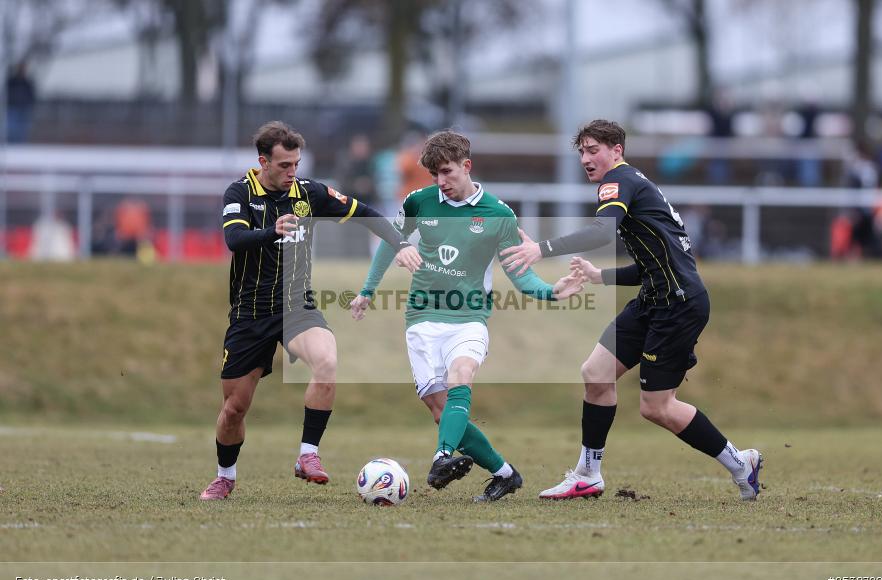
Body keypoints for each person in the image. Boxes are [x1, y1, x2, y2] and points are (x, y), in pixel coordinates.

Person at [499, 119, 763, 501]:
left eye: (594, 150)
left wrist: (542, 248)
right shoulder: (632, 186)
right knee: (596, 372)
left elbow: (601, 233)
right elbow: (650, 263)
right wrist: (598, 276)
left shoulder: (618, 181)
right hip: (654, 298)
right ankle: (588, 474)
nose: (586, 159)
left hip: (678, 305)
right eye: (582, 152)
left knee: (657, 407)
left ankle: (741, 464)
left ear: (616, 150)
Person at [349, 130, 584, 502]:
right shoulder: (418, 202)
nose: (441, 183)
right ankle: (505, 475)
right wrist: (366, 291)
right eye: (435, 176)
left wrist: (551, 291)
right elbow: (390, 243)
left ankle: (442, 457)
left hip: (469, 317)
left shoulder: (498, 214)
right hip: (422, 318)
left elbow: (520, 272)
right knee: (440, 410)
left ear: (466, 166)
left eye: (447, 173)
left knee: (462, 375)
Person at [200, 121, 421, 500]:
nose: (291, 173)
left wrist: (399, 243)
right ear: (263, 161)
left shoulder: (309, 193)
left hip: (296, 305)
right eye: (284, 165)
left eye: (296, 165)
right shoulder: (239, 193)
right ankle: (225, 475)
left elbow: (364, 210)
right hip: (250, 314)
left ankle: (308, 455)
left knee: (327, 361)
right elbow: (234, 239)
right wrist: (273, 230)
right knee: (235, 409)